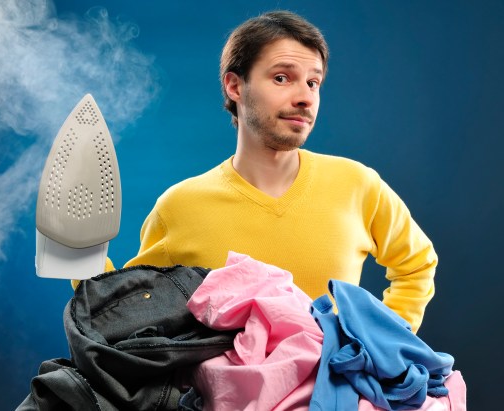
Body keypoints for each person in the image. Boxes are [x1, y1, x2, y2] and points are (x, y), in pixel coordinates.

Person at [78, 10, 438, 333]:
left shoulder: (358, 185)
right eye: (282, 78)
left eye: (313, 82)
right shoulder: (179, 208)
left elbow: (416, 264)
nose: (305, 97)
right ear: (234, 86)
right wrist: (77, 255)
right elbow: (125, 311)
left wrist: (383, 344)